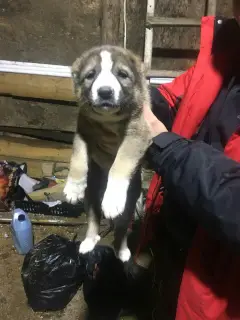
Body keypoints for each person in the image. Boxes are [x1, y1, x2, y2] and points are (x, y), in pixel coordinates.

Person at [134, 2, 240, 319]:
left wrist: (165, 146)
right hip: (181, 231)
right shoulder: (228, 49)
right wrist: (141, 101)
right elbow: (181, 93)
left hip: (221, 275)